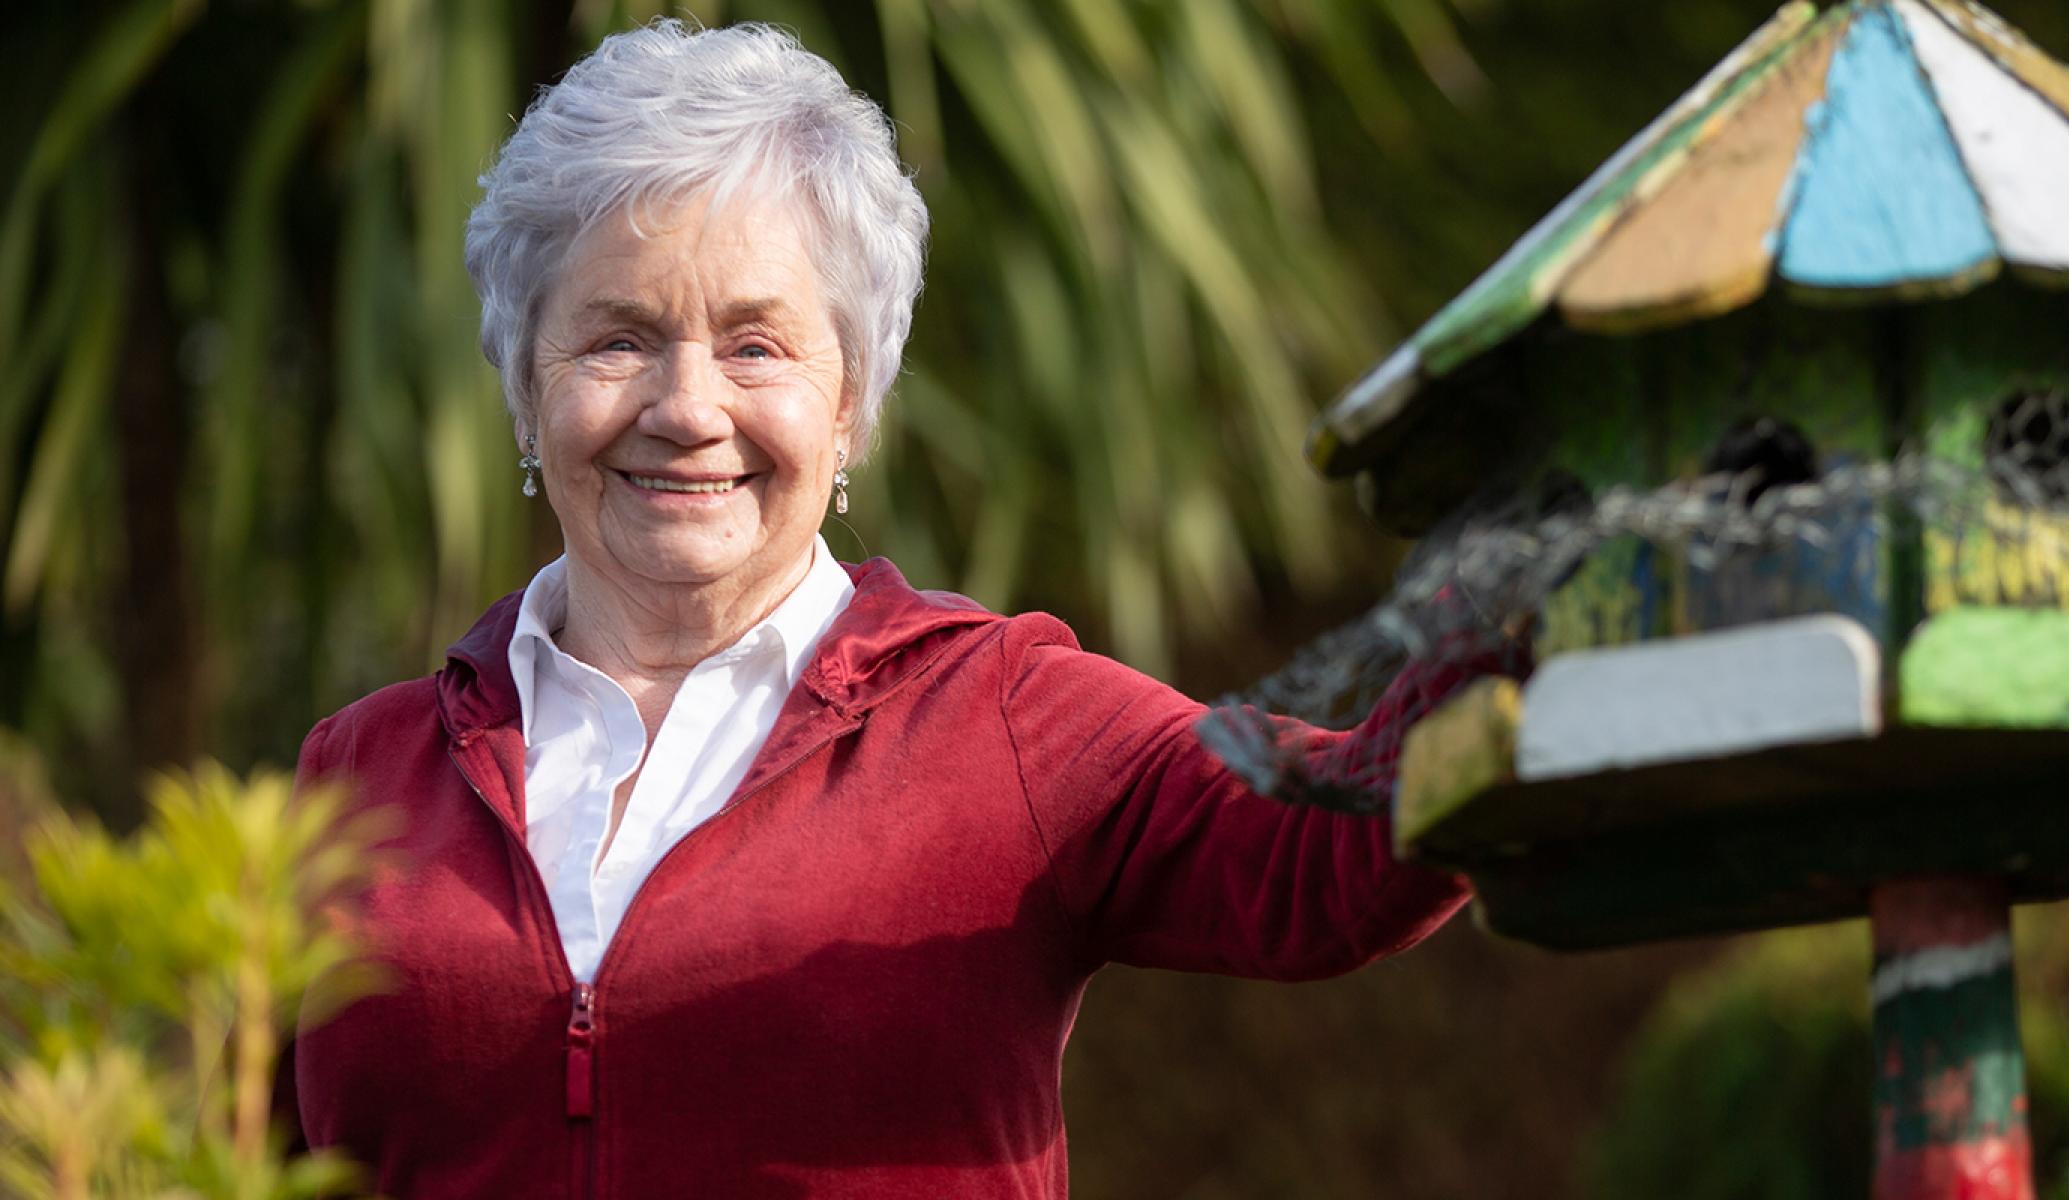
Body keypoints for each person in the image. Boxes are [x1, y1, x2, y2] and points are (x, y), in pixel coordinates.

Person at [292, 19, 1473, 1198]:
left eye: (756, 345)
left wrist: (1523, 606)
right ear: (523, 385)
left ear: (851, 402)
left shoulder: (1006, 723)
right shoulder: (357, 775)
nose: (687, 406)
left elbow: (1343, 850)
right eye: (618, 339)